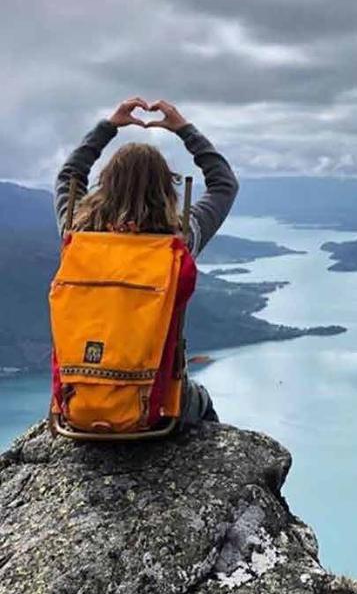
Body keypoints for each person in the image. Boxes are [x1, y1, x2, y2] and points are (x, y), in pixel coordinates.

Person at [54, 97, 239, 426]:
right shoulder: (178, 240)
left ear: (106, 184)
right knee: (203, 404)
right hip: (155, 412)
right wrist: (184, 129)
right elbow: (224, 183)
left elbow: (69, 176)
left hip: (75, 405)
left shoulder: (77, 235)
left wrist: (108, 127)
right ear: (165, 188)